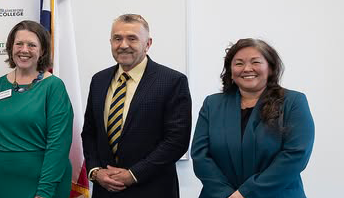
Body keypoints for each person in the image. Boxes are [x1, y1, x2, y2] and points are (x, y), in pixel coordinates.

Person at [81, 14, 191, 198]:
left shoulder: (172, 81)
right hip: (105, 191)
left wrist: (133, 175)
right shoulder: (99, 80)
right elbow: (90, 132)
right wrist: (95, 171)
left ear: (148, 44)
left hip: (153, 190)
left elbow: (176, 141)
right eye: (117, 38)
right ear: (110, 42)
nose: (123, 45)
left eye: (132, 38)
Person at [192, 38, 314, 198]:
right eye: (239, 63)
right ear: (230, 69)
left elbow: (296, 155)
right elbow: (200, 155)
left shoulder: (293, 102)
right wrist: (226, 194)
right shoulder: (212, 104)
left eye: (255, 62)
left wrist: (245, 194)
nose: (247, 68)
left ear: (270, 68)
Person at [0, 21, 72, 198]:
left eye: (32, 45)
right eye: (19, 44)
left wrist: (44, 192)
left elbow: (59, 144)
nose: (24, 50)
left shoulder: (53, 86)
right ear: (10, 47)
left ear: (43, 51)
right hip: (4, 179)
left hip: (44, 180)